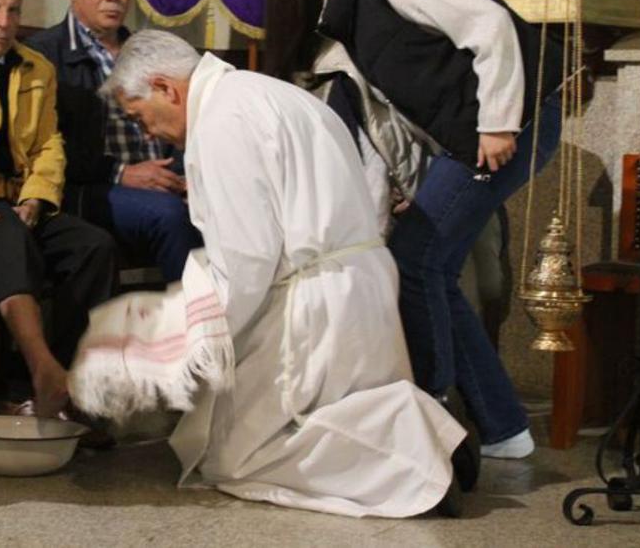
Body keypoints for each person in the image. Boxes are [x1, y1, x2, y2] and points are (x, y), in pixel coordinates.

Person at [72, 30, 464, 517]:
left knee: (242, 458)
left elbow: (248, 258)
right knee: (243, 430)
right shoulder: (269, 92)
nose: (149, 133)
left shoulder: (220, 121)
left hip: (315, 300)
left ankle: (416, 456)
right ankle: (429, 444)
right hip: (356, 279)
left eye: (140, 117)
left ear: (165, 87)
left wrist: (194, 339)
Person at [261, 0, 563, 463]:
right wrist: (421, 190)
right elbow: (404, 124)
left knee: (418, 263)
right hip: (477, 138)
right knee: (432, 266)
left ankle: (436, 418)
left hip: (517, 124)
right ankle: (502, 428)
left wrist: (497, 120)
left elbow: (489, 25)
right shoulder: (352, 34)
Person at [0, 0, 119, 417]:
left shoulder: (35, 67)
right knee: (4, 230)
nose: (4, 21)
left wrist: (37, 197)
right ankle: (42, 371)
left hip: (21, 198)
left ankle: (75, 385)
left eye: (14, 10)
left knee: (93, 245)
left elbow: (48, 144)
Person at [25, 0, 201, 282]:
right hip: (89, 186)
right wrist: (120, 173)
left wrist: (188, 175)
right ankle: (198, 323)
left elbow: (181, 118)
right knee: (168, 215)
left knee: (215, 203)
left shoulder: (146, 49)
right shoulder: (45, 55)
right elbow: (42, 145)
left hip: (165, 178)